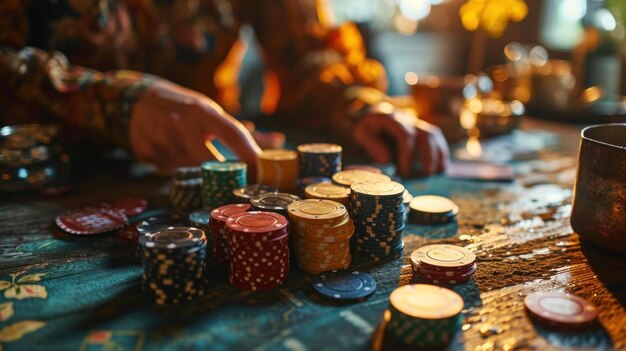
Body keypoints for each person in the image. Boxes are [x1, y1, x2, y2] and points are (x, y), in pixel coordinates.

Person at [0, 0, 448, 178]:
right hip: (39, 177)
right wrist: (113, 103)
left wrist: (359, 104)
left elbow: (306, 53)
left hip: (214, 163)